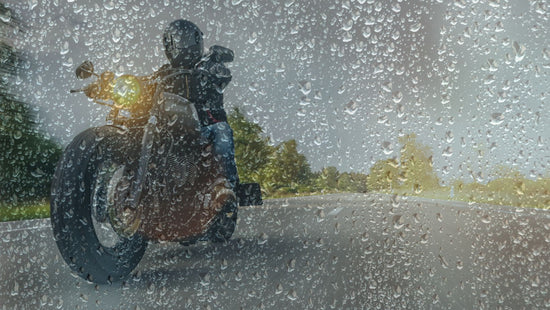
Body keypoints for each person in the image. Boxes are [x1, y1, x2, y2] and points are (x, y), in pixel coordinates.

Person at [156, 19, 238, 205]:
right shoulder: (164, 72)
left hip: (204, 127)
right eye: (176, 41)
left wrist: (215, 67)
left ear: (196, 41)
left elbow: (223, 74)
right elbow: (145, 83)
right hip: (173, 130)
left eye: (185, 40)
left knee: (221, 131)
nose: (182, 45)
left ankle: (223, 185)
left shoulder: (207, 65)